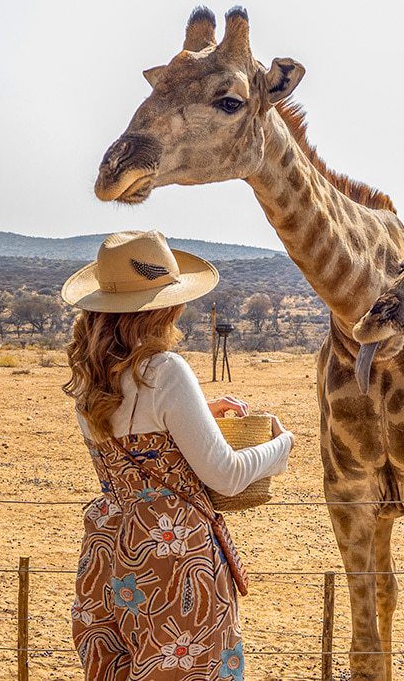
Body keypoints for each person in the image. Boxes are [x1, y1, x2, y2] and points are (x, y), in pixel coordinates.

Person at [61, 230, 293, 680]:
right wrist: (279, 448)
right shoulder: (165, 370)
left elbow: (133, 430)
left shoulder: (90, 378)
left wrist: (198, 413)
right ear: (165, 305)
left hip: (111, 547)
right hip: (177, 556)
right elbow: (225, 474)